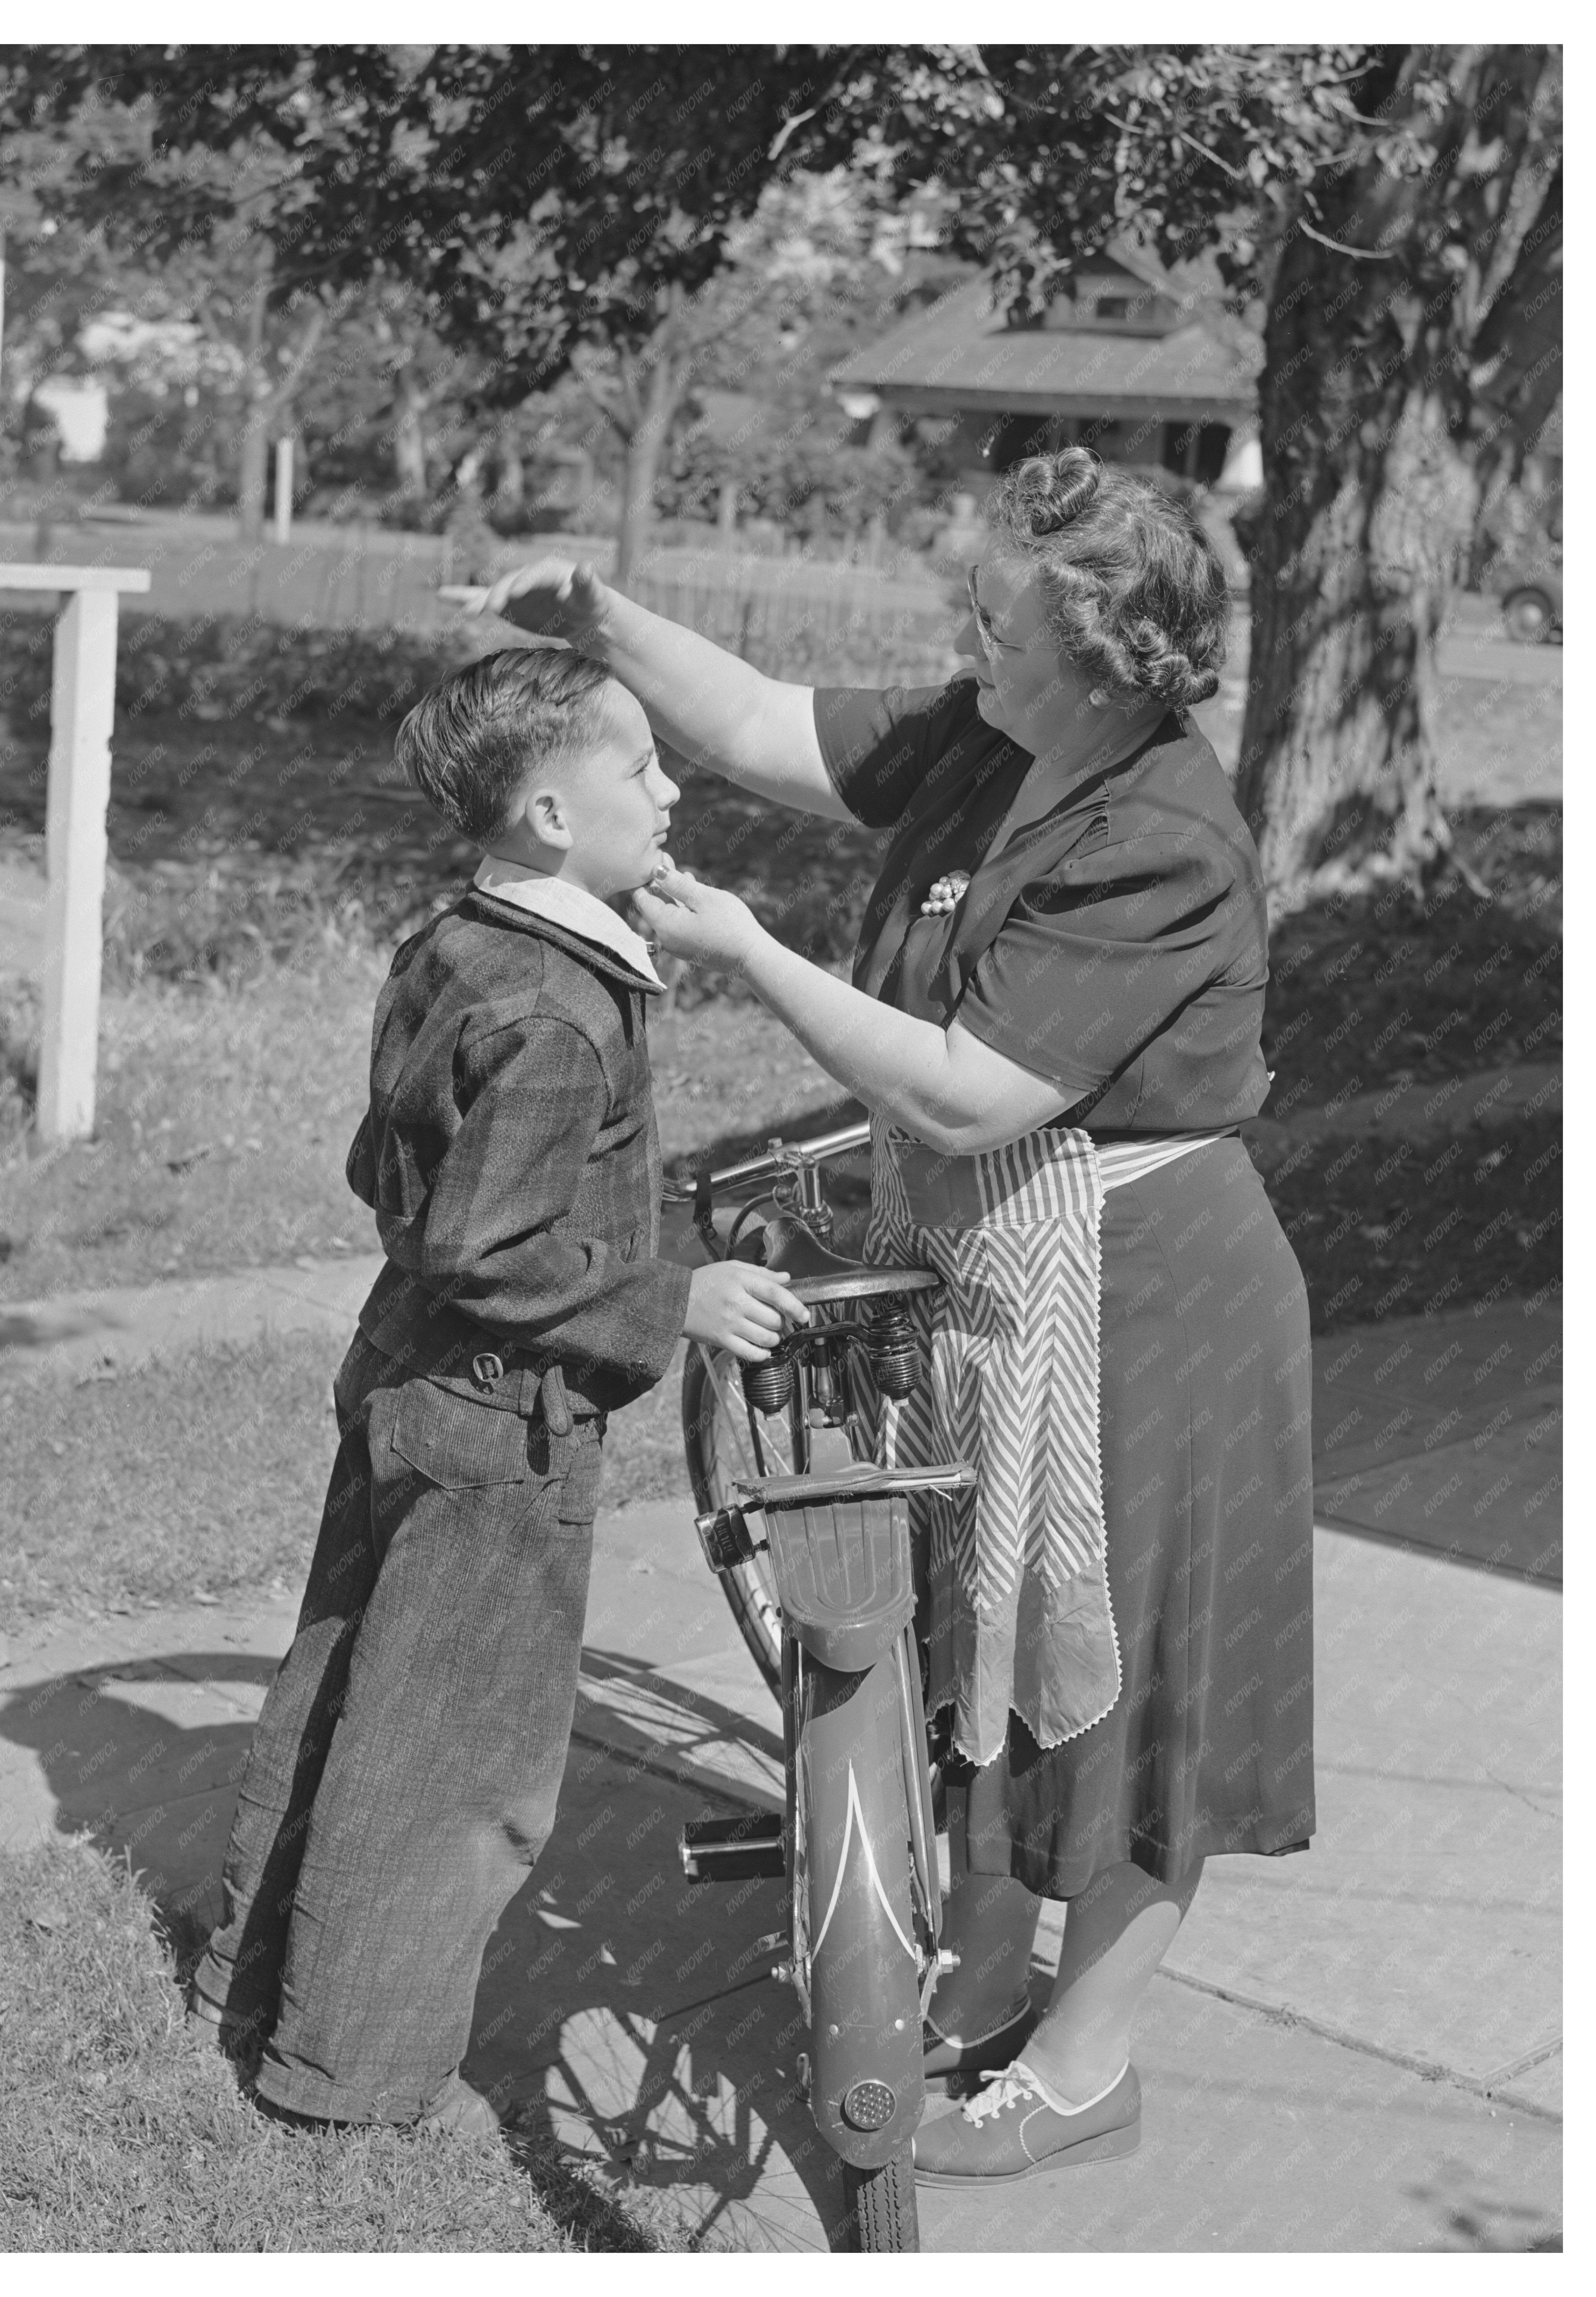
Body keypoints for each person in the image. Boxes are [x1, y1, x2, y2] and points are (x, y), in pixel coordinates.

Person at [483, 447, 1315, 2188]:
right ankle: (987, 1964)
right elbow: (775, 727)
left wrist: (759, 954)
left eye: (998, 619)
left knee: (1128, 1688)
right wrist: (604, 622)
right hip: (1000, 1277)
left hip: (1145, 1297)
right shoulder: (994, 734)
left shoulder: (1158, 834)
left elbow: (961, 1097)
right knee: (982, 1647)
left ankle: (1086, 2069)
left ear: (1100, 650)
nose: (969, 638)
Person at [189, 647, 809, 2133]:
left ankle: (243, 1984)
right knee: (454, 1757)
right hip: (497, 1426)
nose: (672, 791)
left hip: (402, 1383)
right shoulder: (560, 1013)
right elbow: (488, 1249)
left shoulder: (458, 945)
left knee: (341, 1688)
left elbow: (388, 1176)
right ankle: (354, 2077)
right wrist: (675, 1295)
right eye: (642, 768)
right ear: (547, 813)